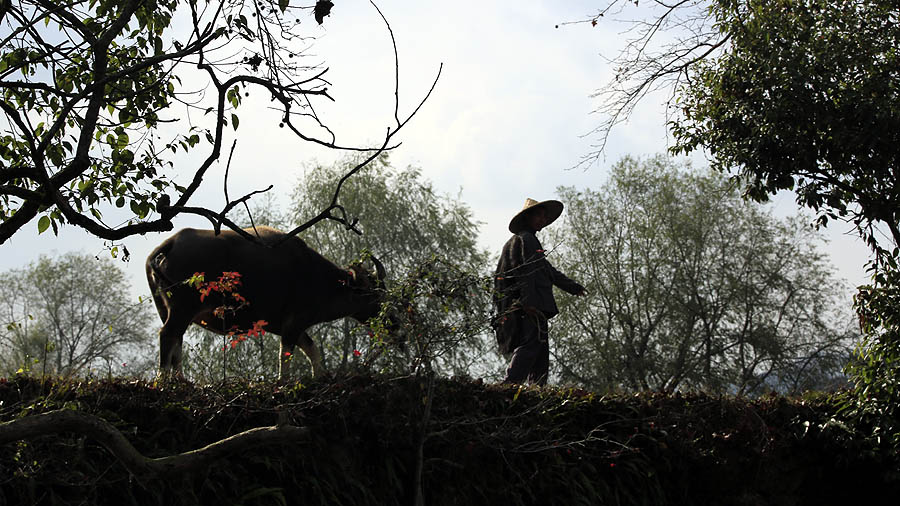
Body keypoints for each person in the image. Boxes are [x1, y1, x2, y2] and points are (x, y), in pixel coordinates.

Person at [493, 198, 587, 385]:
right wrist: (527, 303)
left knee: (541, 351)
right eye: (538, 215)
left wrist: (572, 287)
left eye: (544, 216)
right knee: (531, 345)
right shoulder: (526, 240)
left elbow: (547, 270)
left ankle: (537, 390)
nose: (542, 219)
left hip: (533, 307)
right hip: (529, 307)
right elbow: (526, 272)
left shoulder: (527, 241)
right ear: (528, 217)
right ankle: (510, 385)